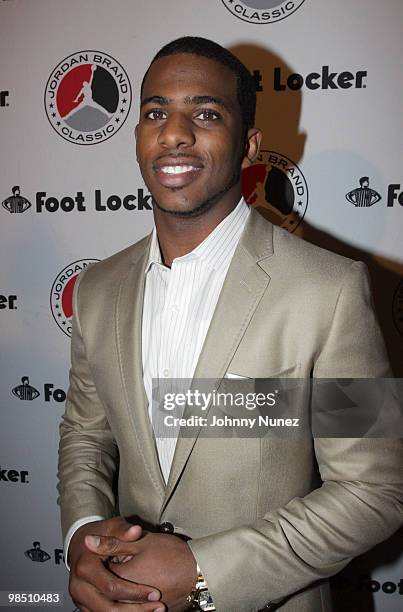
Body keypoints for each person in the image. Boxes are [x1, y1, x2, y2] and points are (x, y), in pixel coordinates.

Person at [58, 37, 403, 612]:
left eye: (206, 113)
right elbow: (86, 436)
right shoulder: (96, 289)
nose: (174, 132)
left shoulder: (332, 288)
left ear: (249, 146)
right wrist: (84, 538)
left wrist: (202, 571)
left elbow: (378, 489)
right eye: (155, 112)